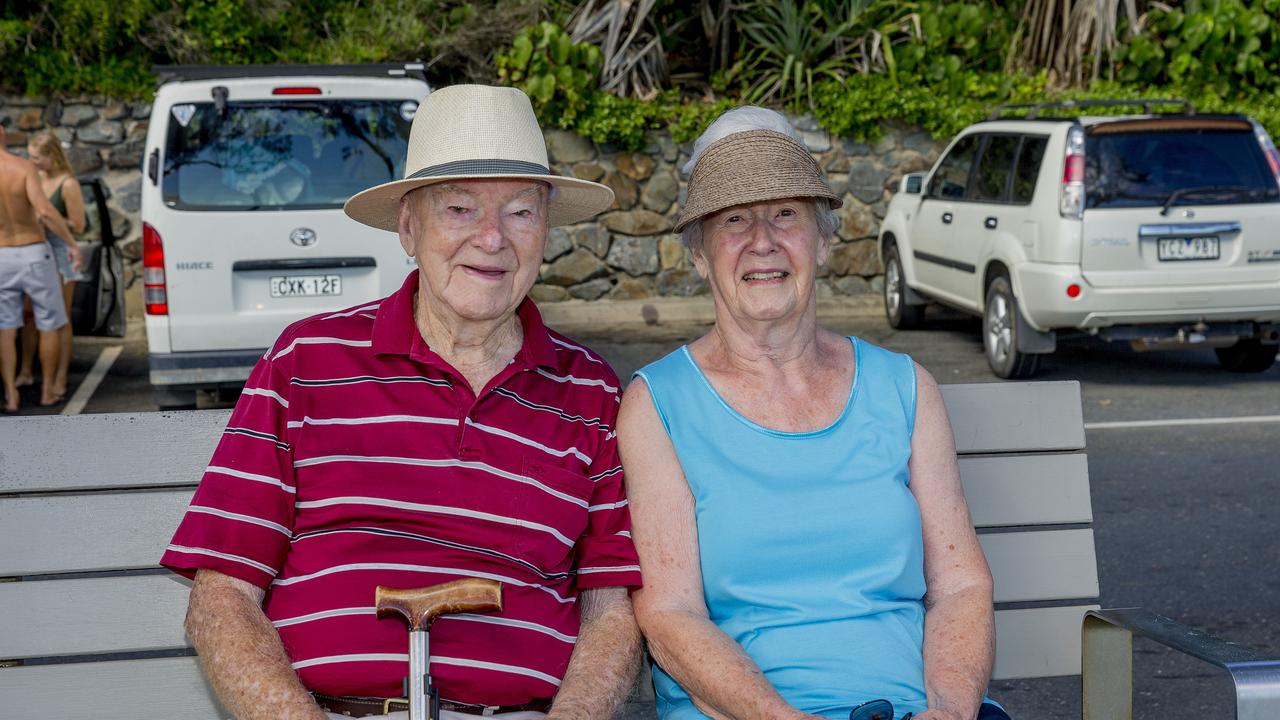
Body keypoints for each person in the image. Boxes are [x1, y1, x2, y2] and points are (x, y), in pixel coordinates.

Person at [161, 85, 643, 720]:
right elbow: (222, 594)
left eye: (521, 212)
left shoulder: (591, 391)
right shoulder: (306, 360)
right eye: (460, 209)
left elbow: (611, 609)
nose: (492, 239)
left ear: (546, 229)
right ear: (409, 229)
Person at [618, 108, 1004, 720]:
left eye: (786, 215)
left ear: (822, 240)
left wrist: (952, 711)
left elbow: (961, 585)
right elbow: (670, 612)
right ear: (699, 255)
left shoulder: (905, 387)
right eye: (735, 220)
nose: (762, 241)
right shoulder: (658, 405)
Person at [0, 124, 78, 412]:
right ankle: (47, 391)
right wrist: (71, 243)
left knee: (6, 327)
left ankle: (10, 393)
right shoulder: (22, 168)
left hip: (2, 254)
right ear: (3, 134)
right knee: (50, 323)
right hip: (33, 251)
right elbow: (45, 211)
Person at [17, 131, 87, 402]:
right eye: (29, 157)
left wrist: (50, 220)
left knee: (61, 318)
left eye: (36, 158)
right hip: (35, 251)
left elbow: (78, 225)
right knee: (31, 315)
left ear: (52, 156)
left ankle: (60, 378)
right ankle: (25, 371)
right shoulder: (36, 178)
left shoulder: (68, 184)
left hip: (60, 254)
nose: (31, 162)